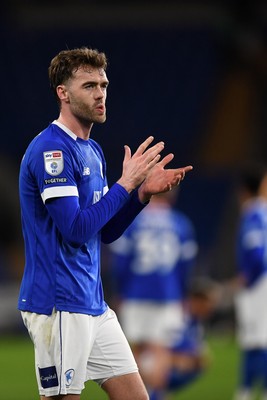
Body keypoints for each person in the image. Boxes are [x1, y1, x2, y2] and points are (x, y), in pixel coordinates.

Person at [17, 46, 193, 400]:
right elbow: (76, 229)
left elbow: (105, 231)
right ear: (62, 94)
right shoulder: (52, 151)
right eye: (89, 85)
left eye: (103, 84)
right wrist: (125, 184)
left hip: (92, 303)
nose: (100, 93)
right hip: (59, 303)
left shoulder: (92, 151)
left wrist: (140, 195)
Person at [107, 187, 198, 400]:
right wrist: (183, 292)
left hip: (135, 293)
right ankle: (156, 396)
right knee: (161, 351)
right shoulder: (180, 223)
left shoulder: (134, 220)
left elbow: (120, 262)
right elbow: (186, 264)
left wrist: (120, 290)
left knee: (136, 352)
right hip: (168, 294)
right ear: (171, 196)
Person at [231, 163, 267, 400]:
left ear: (244, 191)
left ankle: (246, 392)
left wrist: (247, 279)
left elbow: (256, 252)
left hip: (259, 284)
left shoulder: (253, 213)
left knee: (256, 340)